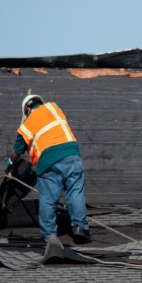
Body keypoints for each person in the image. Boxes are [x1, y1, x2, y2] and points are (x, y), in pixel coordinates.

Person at [9, 94, 91, 246]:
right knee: (75, 192)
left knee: (48, 199)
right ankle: (80, 228)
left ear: (27, 109)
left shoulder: (25, 127)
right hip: (71, 153)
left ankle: (49, 236)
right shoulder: (54, 107)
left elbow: (16, 153)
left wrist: (10, 161)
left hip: (49, 161)